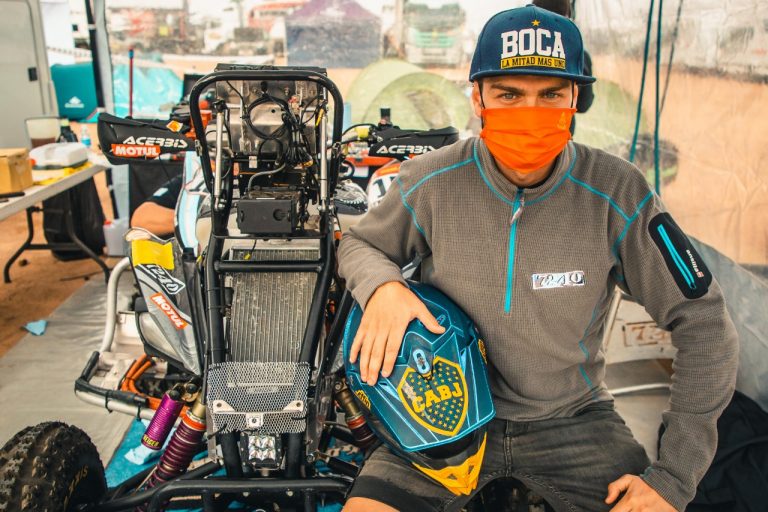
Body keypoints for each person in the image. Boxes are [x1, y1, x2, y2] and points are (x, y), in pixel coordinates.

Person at [338, 5, 737, 512]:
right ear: (478, 97)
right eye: (509, 94)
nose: (530, 111)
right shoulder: (431, 180)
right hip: (441, 414)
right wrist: (383, 286)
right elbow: (361, 243)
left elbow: (704, 322)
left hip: (573, 419)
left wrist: (673, 477)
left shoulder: (617, 191)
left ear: (576, 99)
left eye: (550, 94)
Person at [532, 0, 594, 133]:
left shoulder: (515, 49)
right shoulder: (580, 54)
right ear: (567, 15)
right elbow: (584, 105)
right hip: (561, 133)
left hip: (518, 134)